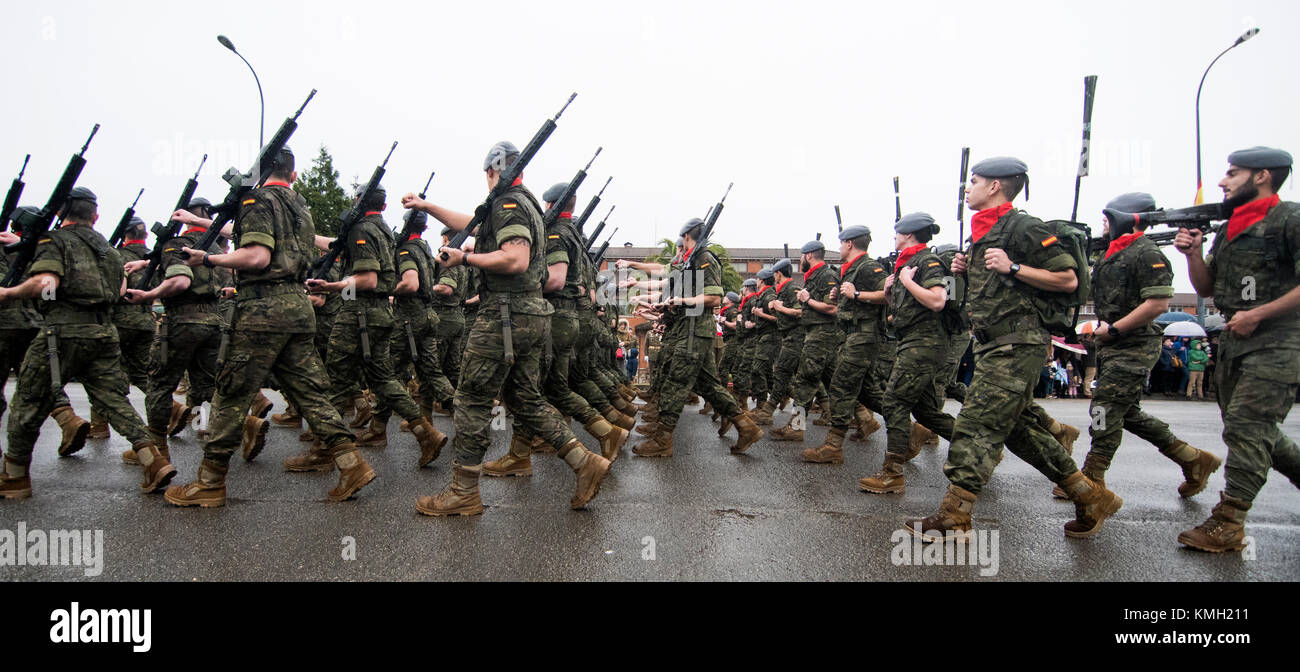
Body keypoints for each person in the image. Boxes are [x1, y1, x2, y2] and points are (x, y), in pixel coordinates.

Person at [907, 156, 1120, 541]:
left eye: (973, 181)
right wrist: (960, 275)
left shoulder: (1023, 227)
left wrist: (1014, 268)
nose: (966, 188)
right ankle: (1089, 495)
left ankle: (955, 515)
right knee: (1018, 429)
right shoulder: (981, 236)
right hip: (990, 345)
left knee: (975, 424)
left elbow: (1069, 279)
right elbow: (960, 300)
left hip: (1018, 343)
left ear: (995, 187)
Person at [401, 140, 612, 514]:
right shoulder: (524, 203)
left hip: (505, 316)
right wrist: (427, 206)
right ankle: (585, 463)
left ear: (490, 171)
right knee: (526, 399)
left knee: (471, 399)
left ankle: (463, 491)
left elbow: (514, 258)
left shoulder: (509, 202)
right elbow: (476, 225)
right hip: (529, 316)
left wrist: (463, 257)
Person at [166, 147, 377, 507]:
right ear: (292, 174)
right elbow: (258, 237)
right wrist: (206, 224)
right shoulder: (299, 205)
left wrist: (209, 257)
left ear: (260, 172)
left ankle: (209, 481)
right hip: (297, 307)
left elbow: (257, 255)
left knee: (232, 393)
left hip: (262, 310)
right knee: (311, 393)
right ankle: (350, 463)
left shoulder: (256, 201)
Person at [0, 188, 175, 500]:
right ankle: (153, 460)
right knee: (115, 401)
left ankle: (14, 476)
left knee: (27, 401)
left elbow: (47, 284)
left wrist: (10, 293)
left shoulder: (54, 240)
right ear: (95, 216)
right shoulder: (108, 249)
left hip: (62, 332)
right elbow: (119, 287)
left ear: (60, 213)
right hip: (104, 332)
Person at [1174, 146, 1300, 552]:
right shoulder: (1229, 228)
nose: (1222, 182)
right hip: (1234, 340)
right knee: (1251, 431)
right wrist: (1193, 255)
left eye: (1232, 173)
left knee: (1248, 426)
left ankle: (1229, 522)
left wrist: (1260, 313)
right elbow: (1207, 288)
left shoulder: (1289, 219)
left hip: (1279, 341)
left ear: (1261, 176)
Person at [480, 182, 627, 476]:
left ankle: (605, 431)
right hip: (568, 319)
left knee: (540, 389)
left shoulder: (558, 234)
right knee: (542, 388)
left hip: (557, 317)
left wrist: (527, 282)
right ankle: (521, 453)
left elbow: (557, 280)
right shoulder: (572, 236)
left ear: (550, 205)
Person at [308, 186, 448, 465]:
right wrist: (309, 238)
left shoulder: (362, 230)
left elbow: (369, 280)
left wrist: (333, 286)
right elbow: (337, 245)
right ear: (383, 207)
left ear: (358, 201)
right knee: (384, 379)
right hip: (381, 314)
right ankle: (426, 433)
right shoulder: (381, 229)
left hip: (359, 314)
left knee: (334, 380)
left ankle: (326, 450)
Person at [625, 218, 761, 458]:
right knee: (707, 384)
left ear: (687, 236)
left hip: (694, 333)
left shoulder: (705, 259)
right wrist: (666, 307)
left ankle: (663, 439)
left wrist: (681, 301)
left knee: (675, 384)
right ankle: (745, 426)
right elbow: (671, 283)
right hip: (688, 330)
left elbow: (714, 299)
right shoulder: (691, 262)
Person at [120, 198, 228, 465]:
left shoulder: (176, 245)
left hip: (182, 321)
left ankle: (156, 450)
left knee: (159, 383)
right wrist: (147, 264)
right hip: (214, 322)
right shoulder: (216, 251)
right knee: (206, 386)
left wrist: (150, 294)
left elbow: (179, 280)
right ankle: (244, 425)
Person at [858, 213, 955, 488]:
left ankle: (893, 472)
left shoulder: (926, 261)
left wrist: (908, 281)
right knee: (926, 412)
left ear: (909, 234)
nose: (895, 236)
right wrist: (890, 292)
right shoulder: (908, 263)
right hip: (911, 340)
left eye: (898, 232)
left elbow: (938, 300)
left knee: (894, 402)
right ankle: (978, 448)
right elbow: (904, 308)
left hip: (924, 343)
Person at [770, 239, 843, 445]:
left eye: (801, 257)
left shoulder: (826, 275)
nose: (800, 261)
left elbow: (832, 308)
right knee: (835, 384)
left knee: (805, 383)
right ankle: (864, 419)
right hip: (817, 335)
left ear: (809, 255)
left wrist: (807, 300)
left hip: (821, 336)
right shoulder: (815, 277)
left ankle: (797, 427)